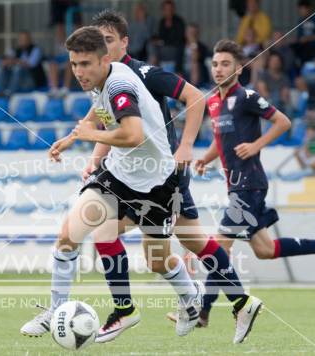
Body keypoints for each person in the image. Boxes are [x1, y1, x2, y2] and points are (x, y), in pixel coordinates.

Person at [21, 26, 203, 342]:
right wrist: (73, 136)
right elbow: (99, 108)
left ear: (104, 59)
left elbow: (134, 135)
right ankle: (85, 310)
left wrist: (90, 135)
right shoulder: (107, 76)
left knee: (157, 260)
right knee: (69, 235)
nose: (78, 72)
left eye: (85, 64)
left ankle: (190, 297)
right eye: (74, 64)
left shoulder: (119, 84)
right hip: (118, 174)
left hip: (157, 181)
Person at [91, 10, 260, 344]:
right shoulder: (106, 79)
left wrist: (185, 146)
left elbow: (195, 97)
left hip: (158, 174)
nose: (102, 47)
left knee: (106, 229)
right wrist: (97, 157)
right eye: (99, 41)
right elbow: (107, 122)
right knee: (178, 246)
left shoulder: (141, 73)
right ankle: (238, 301)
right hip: (142, 173)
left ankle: (131, 308)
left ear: (125, 42)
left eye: (108, 40)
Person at [195, 39, 315, 325]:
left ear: (239, 69)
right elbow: (222, 141)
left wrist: (256, 145)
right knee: (265, 250)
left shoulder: (248, 97)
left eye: (225, 64)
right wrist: (206, 158)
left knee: (218, 247)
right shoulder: (213, 101)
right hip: (235, 185)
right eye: (215, 64)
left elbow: (283, 122)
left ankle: (202, 311)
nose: (218, 69)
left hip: (250, 185)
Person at [0, 31, 46, 96]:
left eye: (25, 39)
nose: (23, 41)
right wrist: (8, 62)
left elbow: (31, 64)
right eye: (21, 39)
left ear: (30, 40)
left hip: (32, 81)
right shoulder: (15, 50)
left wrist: (14, 61)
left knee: (18, 68)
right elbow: (4, 60)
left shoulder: (36, 49)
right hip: (17, 81)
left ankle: (9, 93)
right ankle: (1, 91)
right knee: (2, 66)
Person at [151, 0, 185, 73]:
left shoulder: (179, 21)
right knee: (151, 47)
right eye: (166, 9)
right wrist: (155, 40)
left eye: (170, 9)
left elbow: (179, 39)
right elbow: (160, 36)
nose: (168, 11)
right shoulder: (162, 22)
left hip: (175, 48)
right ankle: (153, 72)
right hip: (163, 48)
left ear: (173, 10)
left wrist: (163, 42)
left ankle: (178, 72)